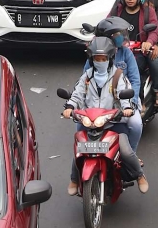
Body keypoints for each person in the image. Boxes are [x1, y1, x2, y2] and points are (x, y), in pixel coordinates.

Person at [63, 36, 148, 194]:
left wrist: (127, 108)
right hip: (91, 123)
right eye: (97, 59)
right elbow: (77, 94)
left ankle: (139, 175)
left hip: (113, 124)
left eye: (103, 58)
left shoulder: (118, 76)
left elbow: (126, 95)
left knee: (127, 152)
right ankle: (74, 179)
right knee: (79, 150)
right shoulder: (87, 77)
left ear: (110, 59)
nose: (100, 61)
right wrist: (70, 106)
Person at [86, 18, 142, 151]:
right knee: (80, 127)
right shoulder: (94, 55)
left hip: (123, 100)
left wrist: (131, 103)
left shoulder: (126, 53)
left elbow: (135, 80)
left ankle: (132, 153)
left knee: (136, 125)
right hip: (99, 102)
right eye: (117, 35)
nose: (121, 37)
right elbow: (86, 82)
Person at [110, 0, 158, 108]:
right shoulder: (118, 10)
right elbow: (107, 23)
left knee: (150, 61)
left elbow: (154, 30)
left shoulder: (148, 11)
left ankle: (156, 91)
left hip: (140, 51)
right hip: (119, 49)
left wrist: (148, 42)